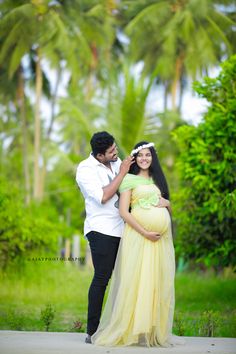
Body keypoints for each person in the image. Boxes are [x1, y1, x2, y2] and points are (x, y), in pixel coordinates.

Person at [91, 141, 182, 347]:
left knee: (156, 282)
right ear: (134, 158)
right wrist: (145, 232)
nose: (144, 159)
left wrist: (168, 204)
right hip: (139, 237)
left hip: (159, 242)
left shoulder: (157, 179)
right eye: (140, 155)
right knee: (137, 281)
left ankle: (150, 330)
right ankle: (131, 330)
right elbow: (124, 212)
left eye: (147, 155)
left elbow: (165, 206)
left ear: (153, 157)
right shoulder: (129, 179)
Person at [76, 131, 134, 343]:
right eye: (111, 151)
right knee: (102, 277)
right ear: (100, 156)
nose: (116, 152)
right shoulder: (85, 169)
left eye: (115, 148)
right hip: (101, 229)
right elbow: (103, 196)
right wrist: (122, 173)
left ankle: (120, 328)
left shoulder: (117, 162)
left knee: (125, 279)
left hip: (124, 227)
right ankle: (92, 331)